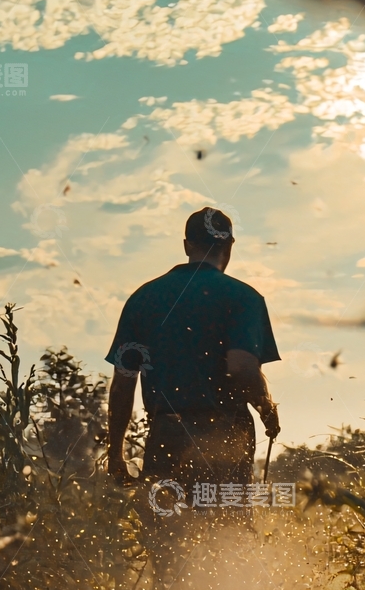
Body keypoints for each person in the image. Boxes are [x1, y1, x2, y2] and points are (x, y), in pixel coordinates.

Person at [105, 207, 280, 498]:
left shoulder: (143, 299)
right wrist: (267, 410)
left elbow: (123, 383)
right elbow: (242, 368)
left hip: (166, 434)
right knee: (227, 529)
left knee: (167, 529)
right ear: (229, 245)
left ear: (187, 245)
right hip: (224, 435)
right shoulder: (243, 297)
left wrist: (115, 453)